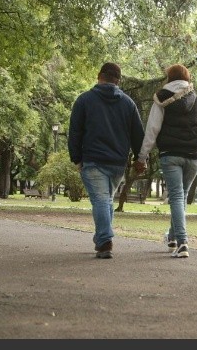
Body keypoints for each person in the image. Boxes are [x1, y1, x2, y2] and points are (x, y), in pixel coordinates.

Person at [134, 64, 197, 258]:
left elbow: (152, 130)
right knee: (181, 197)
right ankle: (172, 237)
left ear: (169, 78)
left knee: (177, 197)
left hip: (171, 154)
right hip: (194, 156)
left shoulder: (161, 98)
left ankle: (183, 242)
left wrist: (142, 157)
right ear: (187, 78)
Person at [68, 62, 145, 259]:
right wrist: (140, 158)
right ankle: (103, 238)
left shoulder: (84, 100)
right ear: (118, 80)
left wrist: (76, 158)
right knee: (107, 200)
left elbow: (75, 132)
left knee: (101, 200)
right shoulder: (128, 103)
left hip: (93, 159)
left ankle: (104, 241)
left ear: (99, 75)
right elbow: (138, 134)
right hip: (118, 162)